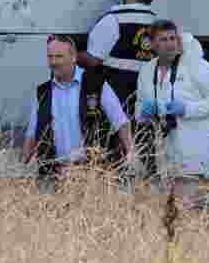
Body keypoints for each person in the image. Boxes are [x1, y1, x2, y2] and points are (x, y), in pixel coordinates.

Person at [134, 20, 209, 202]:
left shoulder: (195, 65)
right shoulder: (146, 71)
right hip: (164, 159)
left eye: (172, 38)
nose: (170, 43)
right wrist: (145, 112)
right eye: (163, 39)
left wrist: (187, 109)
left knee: (193, 216)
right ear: (152, 44)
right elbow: (139, 109)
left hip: (195, 157)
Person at [22, 35, 135, 188]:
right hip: (54, 174)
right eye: (50, 57)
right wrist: (23, 165)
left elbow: (120, 121)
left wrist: (130, 154)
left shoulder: (96, 84)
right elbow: (32, 133)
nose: (53, 62)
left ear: (74, 57)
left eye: (59, 56)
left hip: (94, 173)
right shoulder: (42, 92)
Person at [78, 0, 162, 115]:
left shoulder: (114, 20)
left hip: (112, 103)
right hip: (141, 105)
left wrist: (71, 54)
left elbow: (92, 60)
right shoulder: (158, 26)